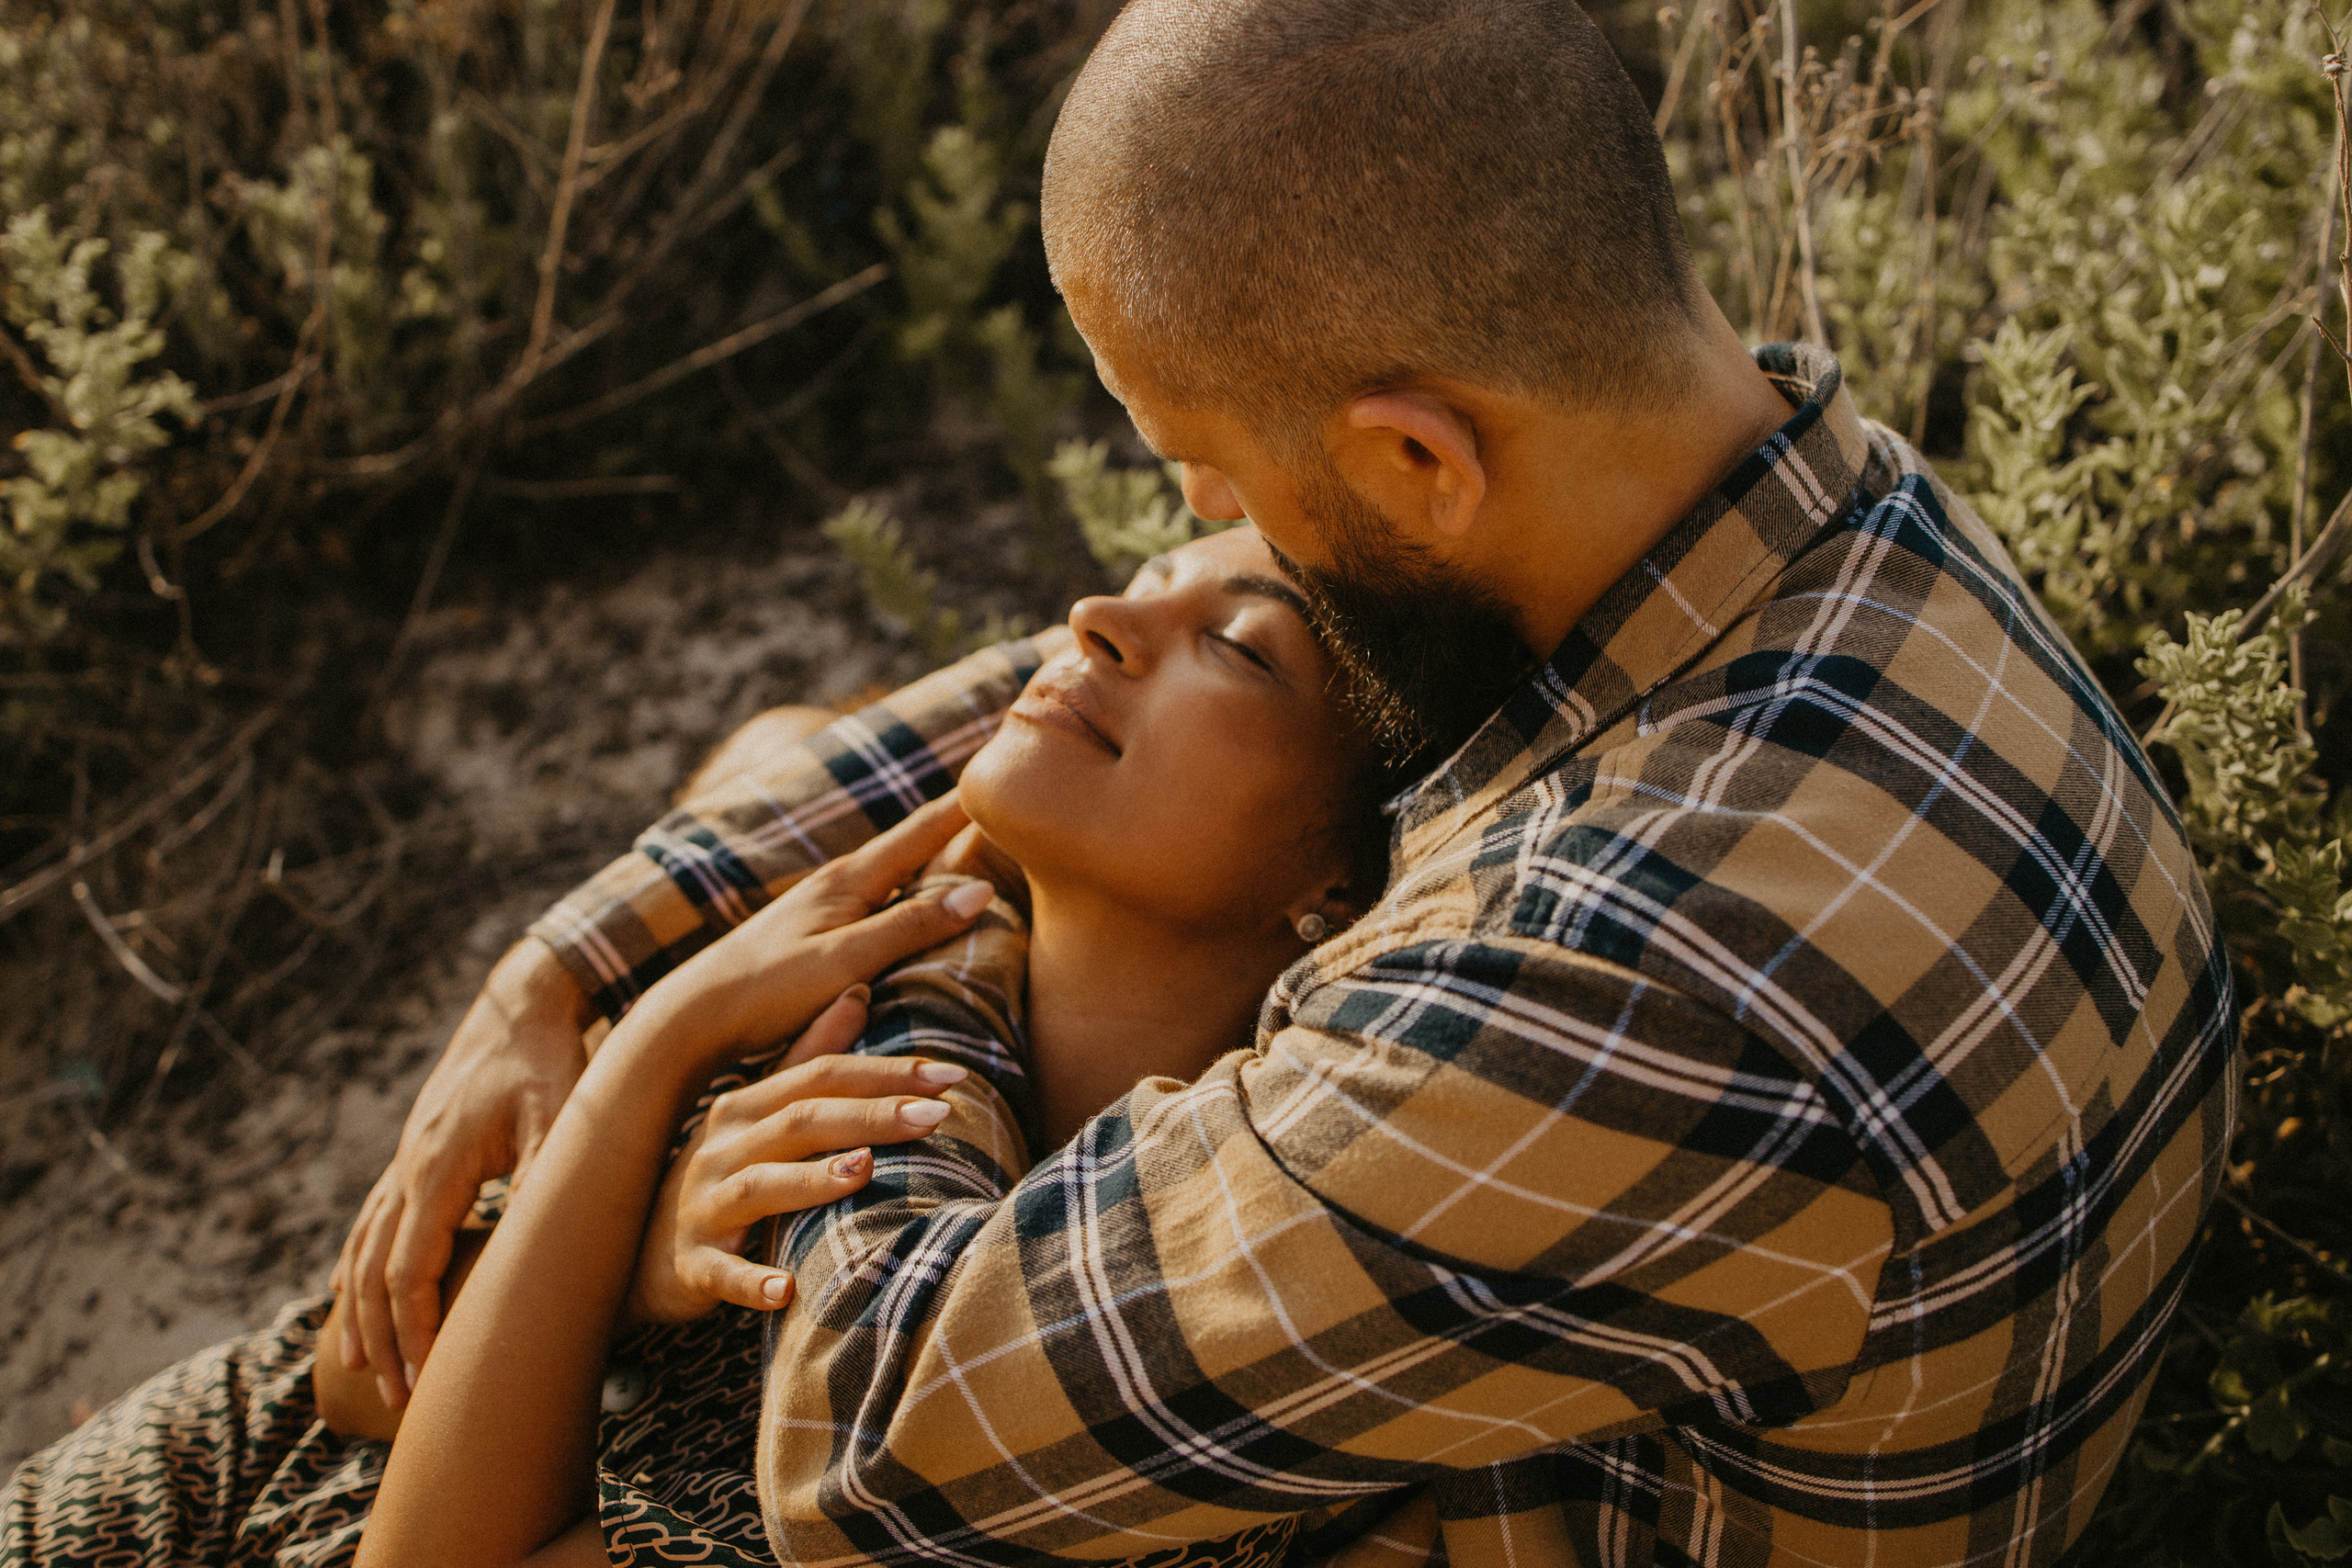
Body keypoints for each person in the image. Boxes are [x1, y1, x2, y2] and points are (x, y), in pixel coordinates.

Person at [324, 1, 2235, 1564]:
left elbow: (873, 1443)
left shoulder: (1642, 961)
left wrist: (909, 973)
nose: (1188, 522)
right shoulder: (1796, 498)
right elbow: (1078, 671)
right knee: (771, 757)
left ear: (1415, 462)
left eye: (1206, 469)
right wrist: (567, 966)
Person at [0, 526, 1400, 1566]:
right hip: (200, 1468)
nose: (1095, 618)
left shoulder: (1114, 1316)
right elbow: (358, 1369)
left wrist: (646, 1062)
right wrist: (636, 1253)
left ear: (1335, 883)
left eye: (1237, 643)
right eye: (1143, 572)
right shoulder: (847, 944)